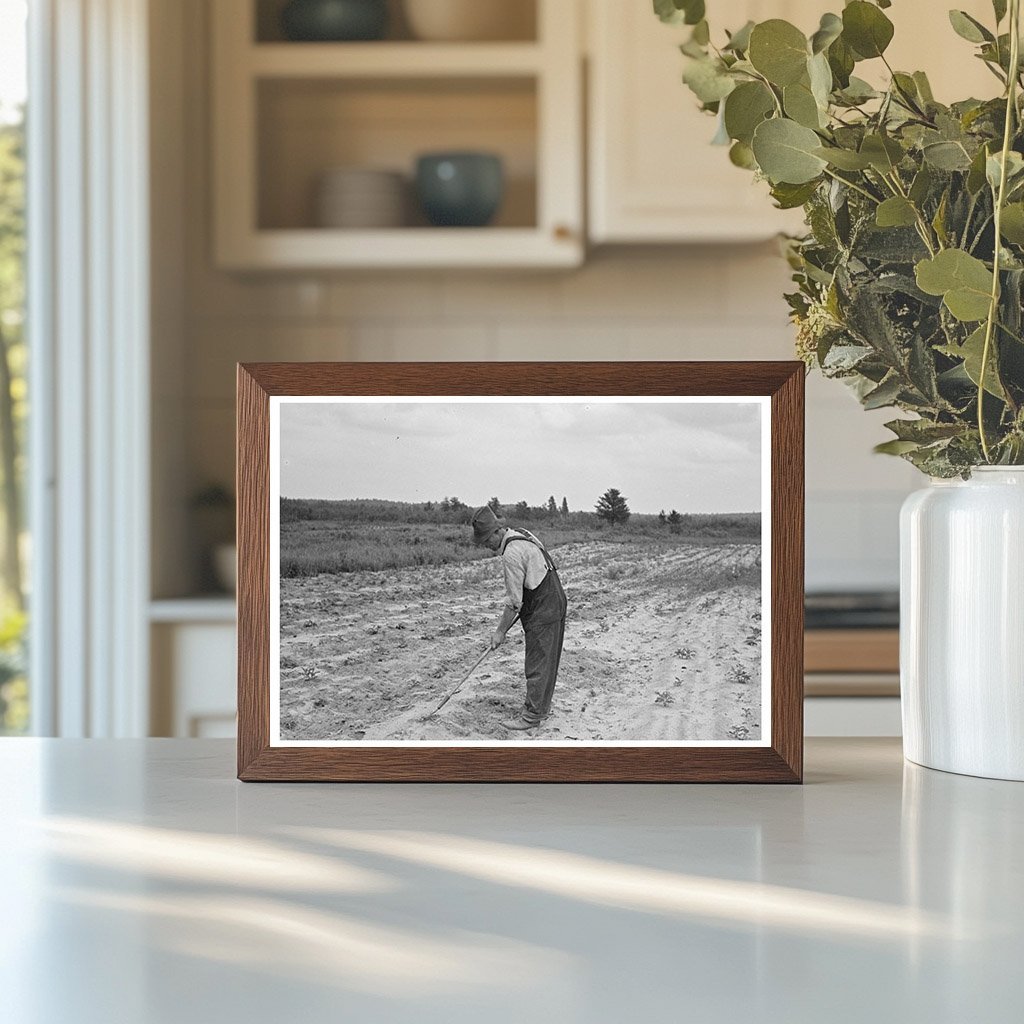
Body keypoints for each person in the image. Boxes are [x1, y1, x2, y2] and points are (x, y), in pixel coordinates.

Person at [471, 505, 568, 731]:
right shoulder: (523, 534)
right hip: (555, 599)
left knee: (537, 663)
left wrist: (500, 631)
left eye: (487, 541)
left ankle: (531, 717)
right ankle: (540, 709)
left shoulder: (511, 554)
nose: (488, 547)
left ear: (497, 532)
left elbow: (514, 602)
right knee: (548, 661)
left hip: (543, 607)